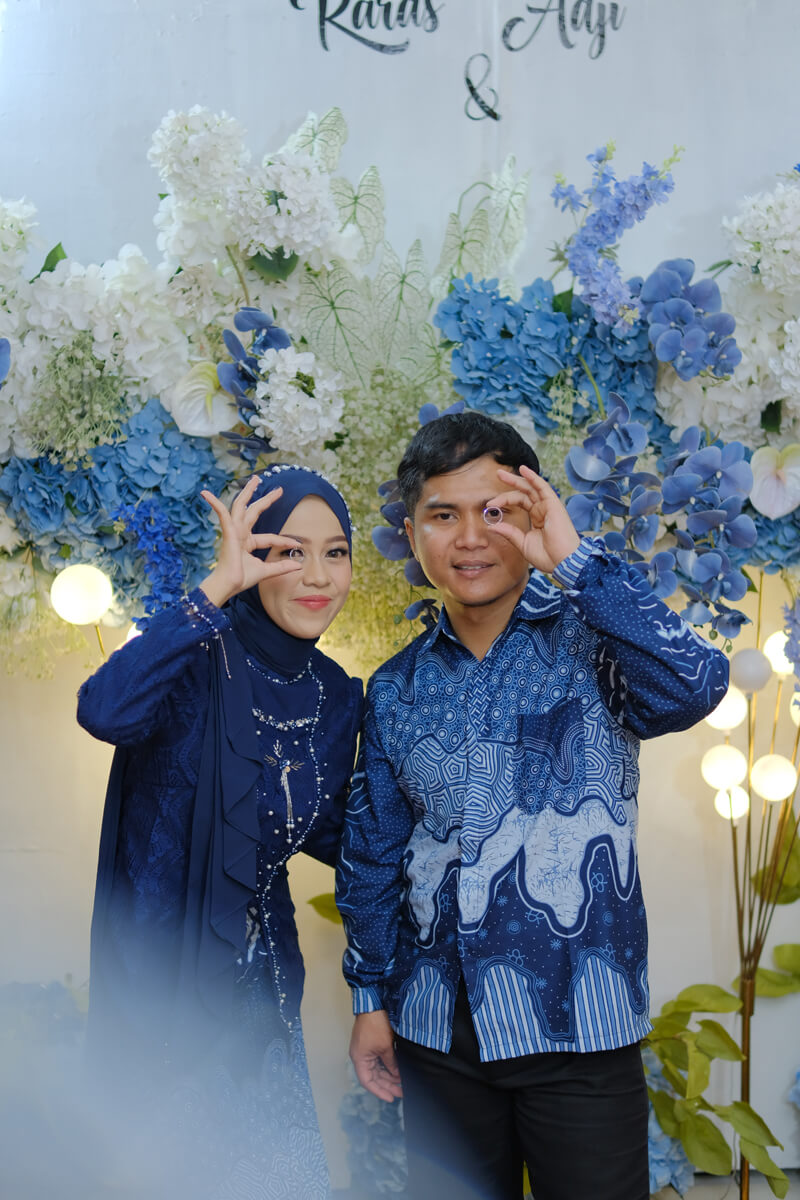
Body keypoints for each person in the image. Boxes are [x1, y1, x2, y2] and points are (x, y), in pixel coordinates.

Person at [336, 412, 729, 1200]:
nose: (470, 538)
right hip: (438, 1032)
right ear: (412, 534)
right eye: (443, 515)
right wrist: (370, 999)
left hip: (582, 1027)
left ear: (535, 514)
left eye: (496, 511)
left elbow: (696, 685)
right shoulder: (397, 688)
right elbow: (374, 852)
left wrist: (574, 560)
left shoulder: (597, 646)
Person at [78, 465, 362, 1200]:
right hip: (156, 988)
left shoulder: (335, 695)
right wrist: (214, 590)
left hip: (261, 996)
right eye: (288, 551)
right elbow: (104, 710)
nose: (318, 576)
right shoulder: (194, 656)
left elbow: (333, 833)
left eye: (335, 553)